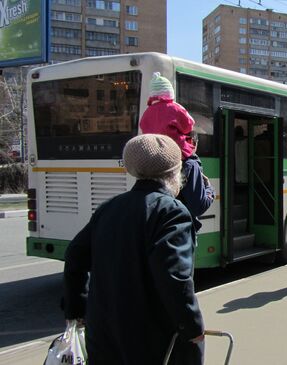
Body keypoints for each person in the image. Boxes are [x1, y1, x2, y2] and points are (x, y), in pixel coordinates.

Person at [63, 134, 205, 364]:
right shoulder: (171, 211)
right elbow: (174, 276)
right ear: (174, 173)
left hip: (104, 334)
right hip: (150, 339)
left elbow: (75, 256)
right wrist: (192, 326)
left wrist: (77, 309)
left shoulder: (109, 207)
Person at [140, 72, 215, 230]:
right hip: (178, 150)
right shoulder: (188, 164)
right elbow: (188, 124)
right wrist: (209, 189)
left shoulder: (147, 114)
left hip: (157, 153)